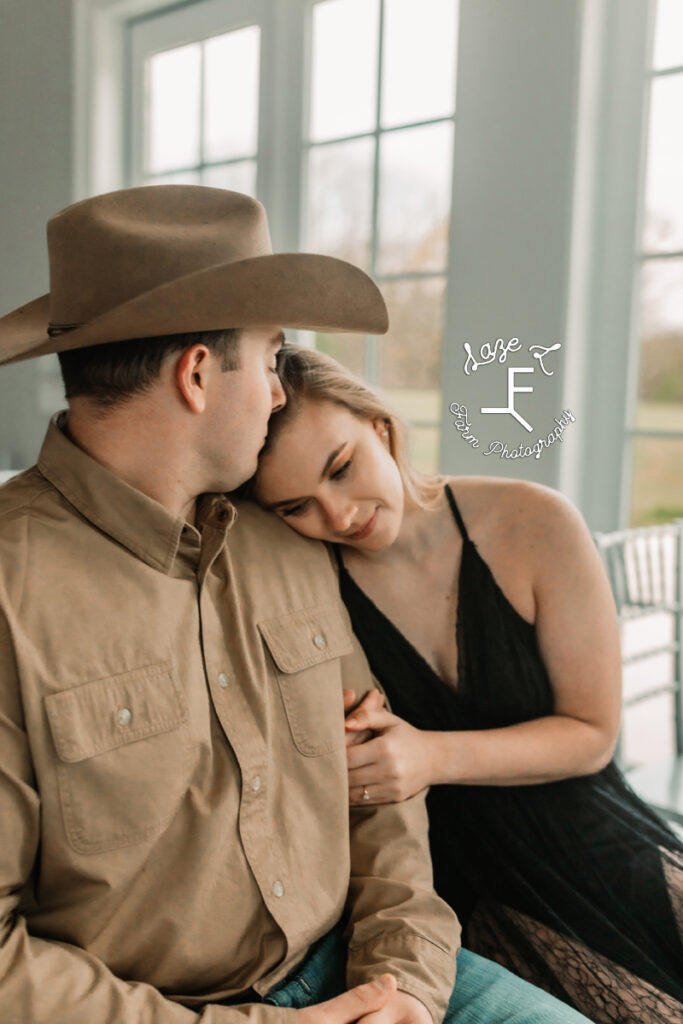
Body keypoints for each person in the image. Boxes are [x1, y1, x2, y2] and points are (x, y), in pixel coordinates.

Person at [0, 186, 595, 1024]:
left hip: (374, 974)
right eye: (272, 356)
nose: (281, 393)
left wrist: (406, 991)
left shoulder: (287, 537)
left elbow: (376, 788)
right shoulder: (9, 593)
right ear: (199, 375)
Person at [252, 343, 683, 1024]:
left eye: (341, 468)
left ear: (380, 425)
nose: (336, 516)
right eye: (294, 506)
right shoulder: (305, 586)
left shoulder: (533, 520)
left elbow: (592, 736)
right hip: (460, 898)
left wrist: (426, 755)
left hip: (599, 847)